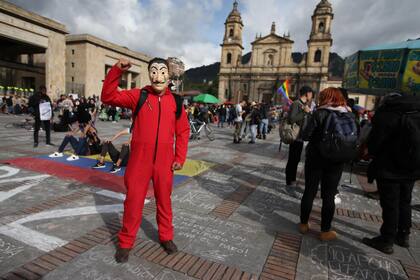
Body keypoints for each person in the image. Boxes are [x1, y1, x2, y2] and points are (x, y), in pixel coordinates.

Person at [101, 57, 190, 263]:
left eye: (162, 72)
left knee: (164, 201)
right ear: (149, 74)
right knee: (133, 202)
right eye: (153, 71)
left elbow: (183, 131)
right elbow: (108, 96)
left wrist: (180, 157)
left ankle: (166, 237)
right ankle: (125, 243)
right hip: (139, 161)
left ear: (168, 75)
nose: (158, 76)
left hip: (164, 162)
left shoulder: (176, 101)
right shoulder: (138, 96)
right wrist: (116, 71)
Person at [362, 94, 420, 254]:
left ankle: (386, 239)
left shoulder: (387, 114)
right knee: (405, 201)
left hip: (389, 169)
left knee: (390, 204)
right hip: (412, 167)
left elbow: (374, 144)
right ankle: (403, 235)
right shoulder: (415, 112)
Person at [298, 87, 356, 241]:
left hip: (316, 158)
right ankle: (325, 231)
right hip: (336, 160)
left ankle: (303, 224)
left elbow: (305, 135)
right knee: (329, 195)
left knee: (309, 191)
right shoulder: (348, 114)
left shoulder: (319, 113)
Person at [285, 86, 313, 186]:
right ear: (307, 94)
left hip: (300, 136)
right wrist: (304, 112)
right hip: (295, 135)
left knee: (296, 159)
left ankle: (292, 178)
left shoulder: (303, 104)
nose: (312, 96)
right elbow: (292, 119)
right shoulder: (297, 103)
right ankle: (289, 179)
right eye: (311, 94)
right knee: (293, 159)